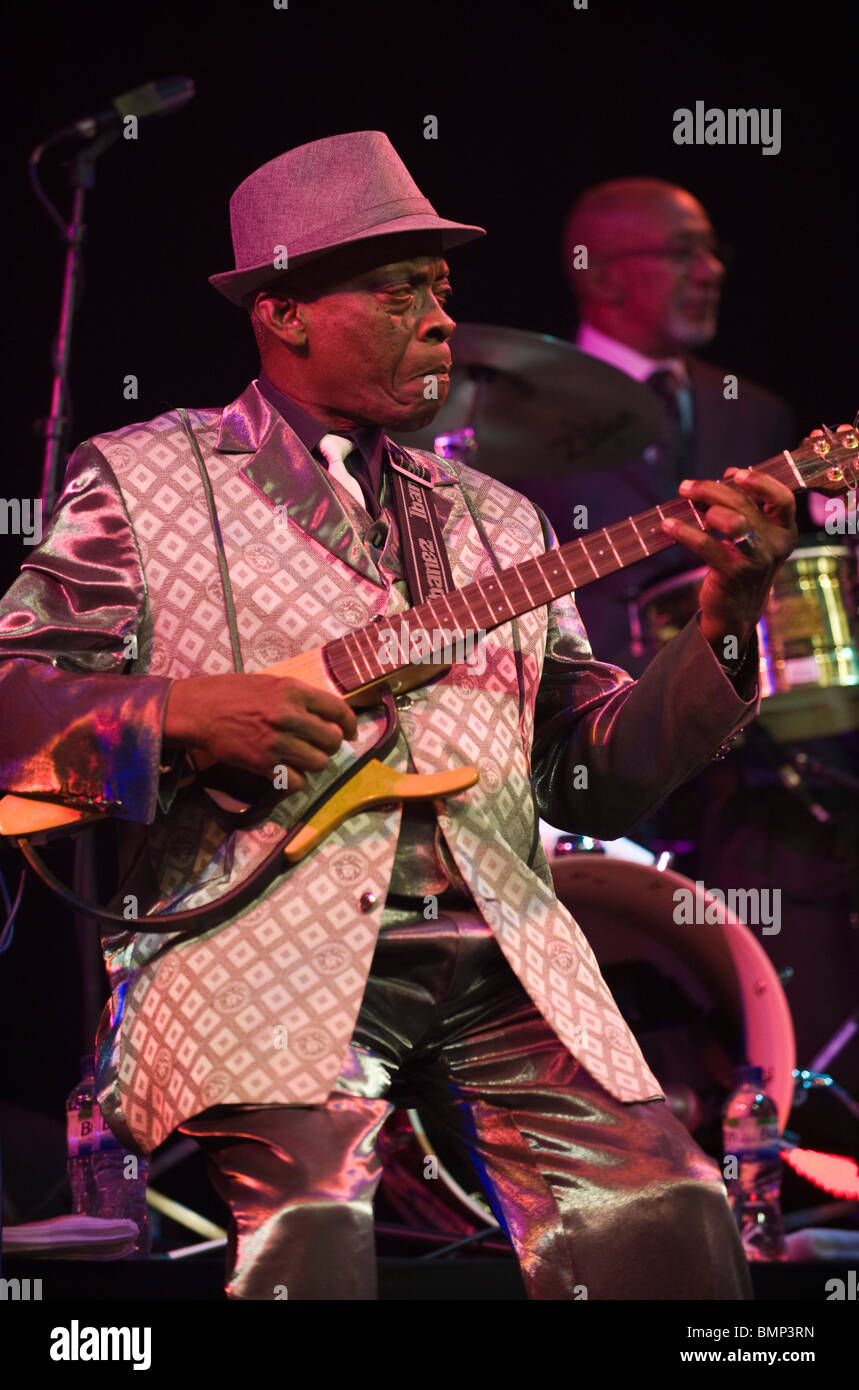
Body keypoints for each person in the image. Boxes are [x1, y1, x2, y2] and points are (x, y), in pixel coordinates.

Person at [0, 132, 799, 1300]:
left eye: (439, 287)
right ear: (284, 313)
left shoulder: (502, 520)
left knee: (671, 1206)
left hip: (503, 957)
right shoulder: (141, 478)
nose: (437, 317)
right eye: (395, 290)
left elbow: (592, 778)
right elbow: (15, 704)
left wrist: (731, 607)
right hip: (259, 945)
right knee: (310, 1227)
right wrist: (180, 712)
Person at [520, 177, 795, 673]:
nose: (711, 271)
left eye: (713, 252)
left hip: (744, 710)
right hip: (584, 720)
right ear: (602, 276)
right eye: (682, 252)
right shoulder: (510, 413)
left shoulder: (758, 412)